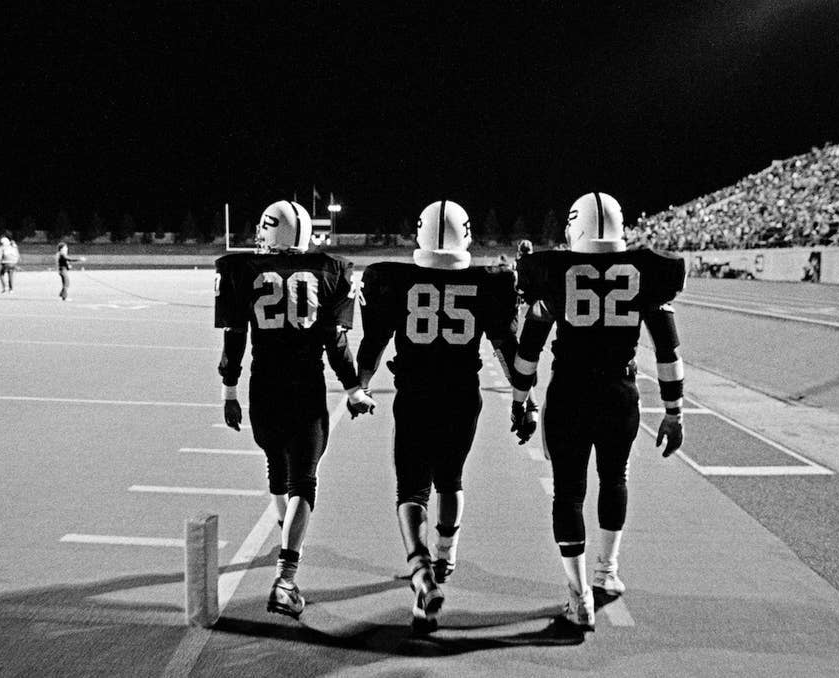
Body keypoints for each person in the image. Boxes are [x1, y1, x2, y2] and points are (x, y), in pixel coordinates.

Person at [356, 200, 535, 633]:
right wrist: (522, 400)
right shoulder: (488, 282)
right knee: (450, 479)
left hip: (415, 394)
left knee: (410, 490)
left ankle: (421, 571)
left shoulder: (393, 279)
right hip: (460, 394)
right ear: (467, 234)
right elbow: (507, 351)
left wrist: (357, 386)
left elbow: (374, 344)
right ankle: (446, 554)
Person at [509, 192, 686, 631]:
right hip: (619, 392)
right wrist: (674, 410)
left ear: (576, 226)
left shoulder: (554, 273)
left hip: (570, 390)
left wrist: (520, 400)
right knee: (615, 478)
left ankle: (578, 595)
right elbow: (667, 347)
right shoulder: (646, 272)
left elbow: (530, 345)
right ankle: (607, 571)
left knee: (568, 492)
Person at [216, 200, 375, 619]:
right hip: (305, 389)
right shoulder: (330, 271)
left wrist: (229, 392)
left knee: (276, 470)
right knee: (304, 479)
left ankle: (289, 550)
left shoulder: (242, 271)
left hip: (263, 388)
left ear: (270, 231)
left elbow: (235, 340)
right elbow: (335, 343)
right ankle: (286, 577)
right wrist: (355, 389)